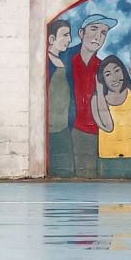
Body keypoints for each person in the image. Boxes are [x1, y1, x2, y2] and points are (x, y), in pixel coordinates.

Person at [58, 13, 116, 179]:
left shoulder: (102, 67)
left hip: (100, 132)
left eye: (104, 33)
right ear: (81, 33)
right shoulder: (65, 60)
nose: (98, 36)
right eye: (94, 29)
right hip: (72, 130)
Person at [91, 57, 131, 180]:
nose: (114, 77)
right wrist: (99, 92)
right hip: (107, 160)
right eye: (108, 74)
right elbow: (108, 126)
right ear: (102, 79)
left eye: (117, 71)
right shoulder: (96, 100)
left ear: (123, 72)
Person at [45, 19, 76, 177]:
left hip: (63, 127)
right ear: (51, 39)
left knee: (67, 169)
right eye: (65, 35)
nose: (69, 39)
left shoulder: (63, 61)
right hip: (51, 129)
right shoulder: (46, 63)